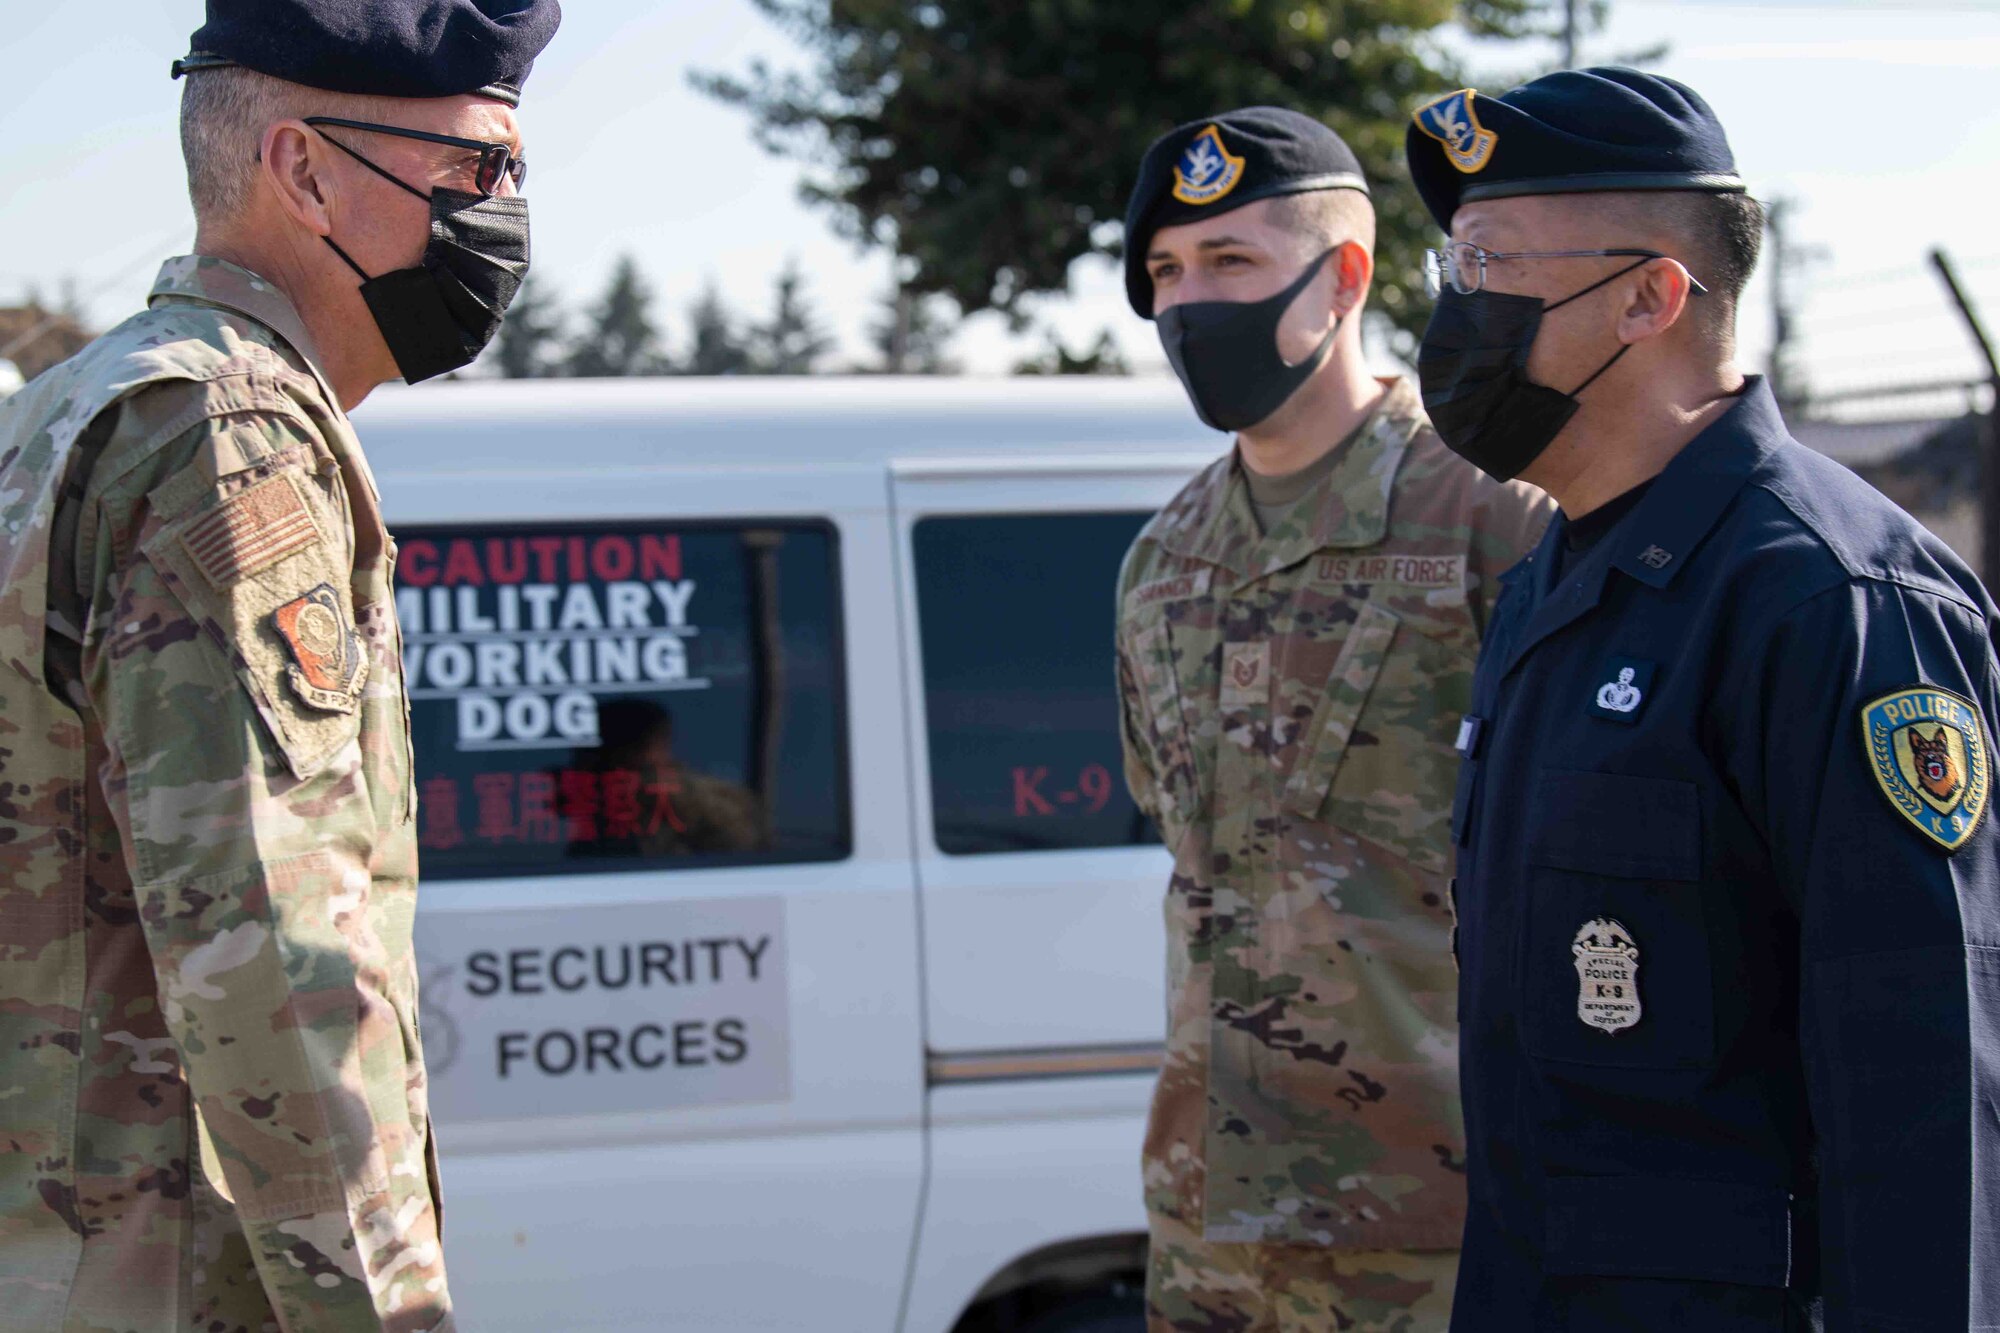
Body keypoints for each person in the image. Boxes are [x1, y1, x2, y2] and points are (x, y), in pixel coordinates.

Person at [1406, 68, 2000, 1330]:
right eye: (1447, 268)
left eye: (1488, 264)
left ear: (1647, 296)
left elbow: (1922, 1093)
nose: (1452, 314)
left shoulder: (1829, 597)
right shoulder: (1549, 586)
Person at [0, 1, 560, 1328]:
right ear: (304, 171)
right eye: (478, 169)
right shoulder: (228, 430)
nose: (506, 211)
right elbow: (274, 963)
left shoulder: (63, 414)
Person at [1114, 107, 1553, 1333]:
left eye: (1230, 262)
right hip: (1205, 1232)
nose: (1188, 303)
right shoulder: (1163, 560)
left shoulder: (1492, 521)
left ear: (1341, 276)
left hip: (1442, 1234)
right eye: (1164, 273)